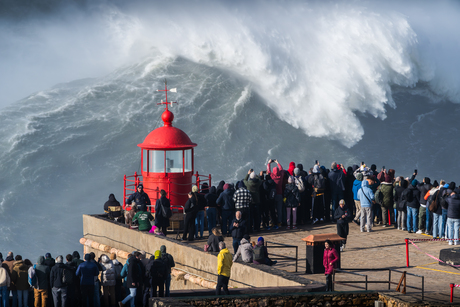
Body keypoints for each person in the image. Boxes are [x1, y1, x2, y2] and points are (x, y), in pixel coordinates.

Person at [266, 159, 285, 229]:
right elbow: (281, 169)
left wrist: (269, 163)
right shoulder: (281, 176)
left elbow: (268, 171)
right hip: (280, 195)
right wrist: (277, 162)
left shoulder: (272, 176)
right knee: (279, 209)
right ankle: (279, 222)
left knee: (273, 210)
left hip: (273, 195)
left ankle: (274, 222)